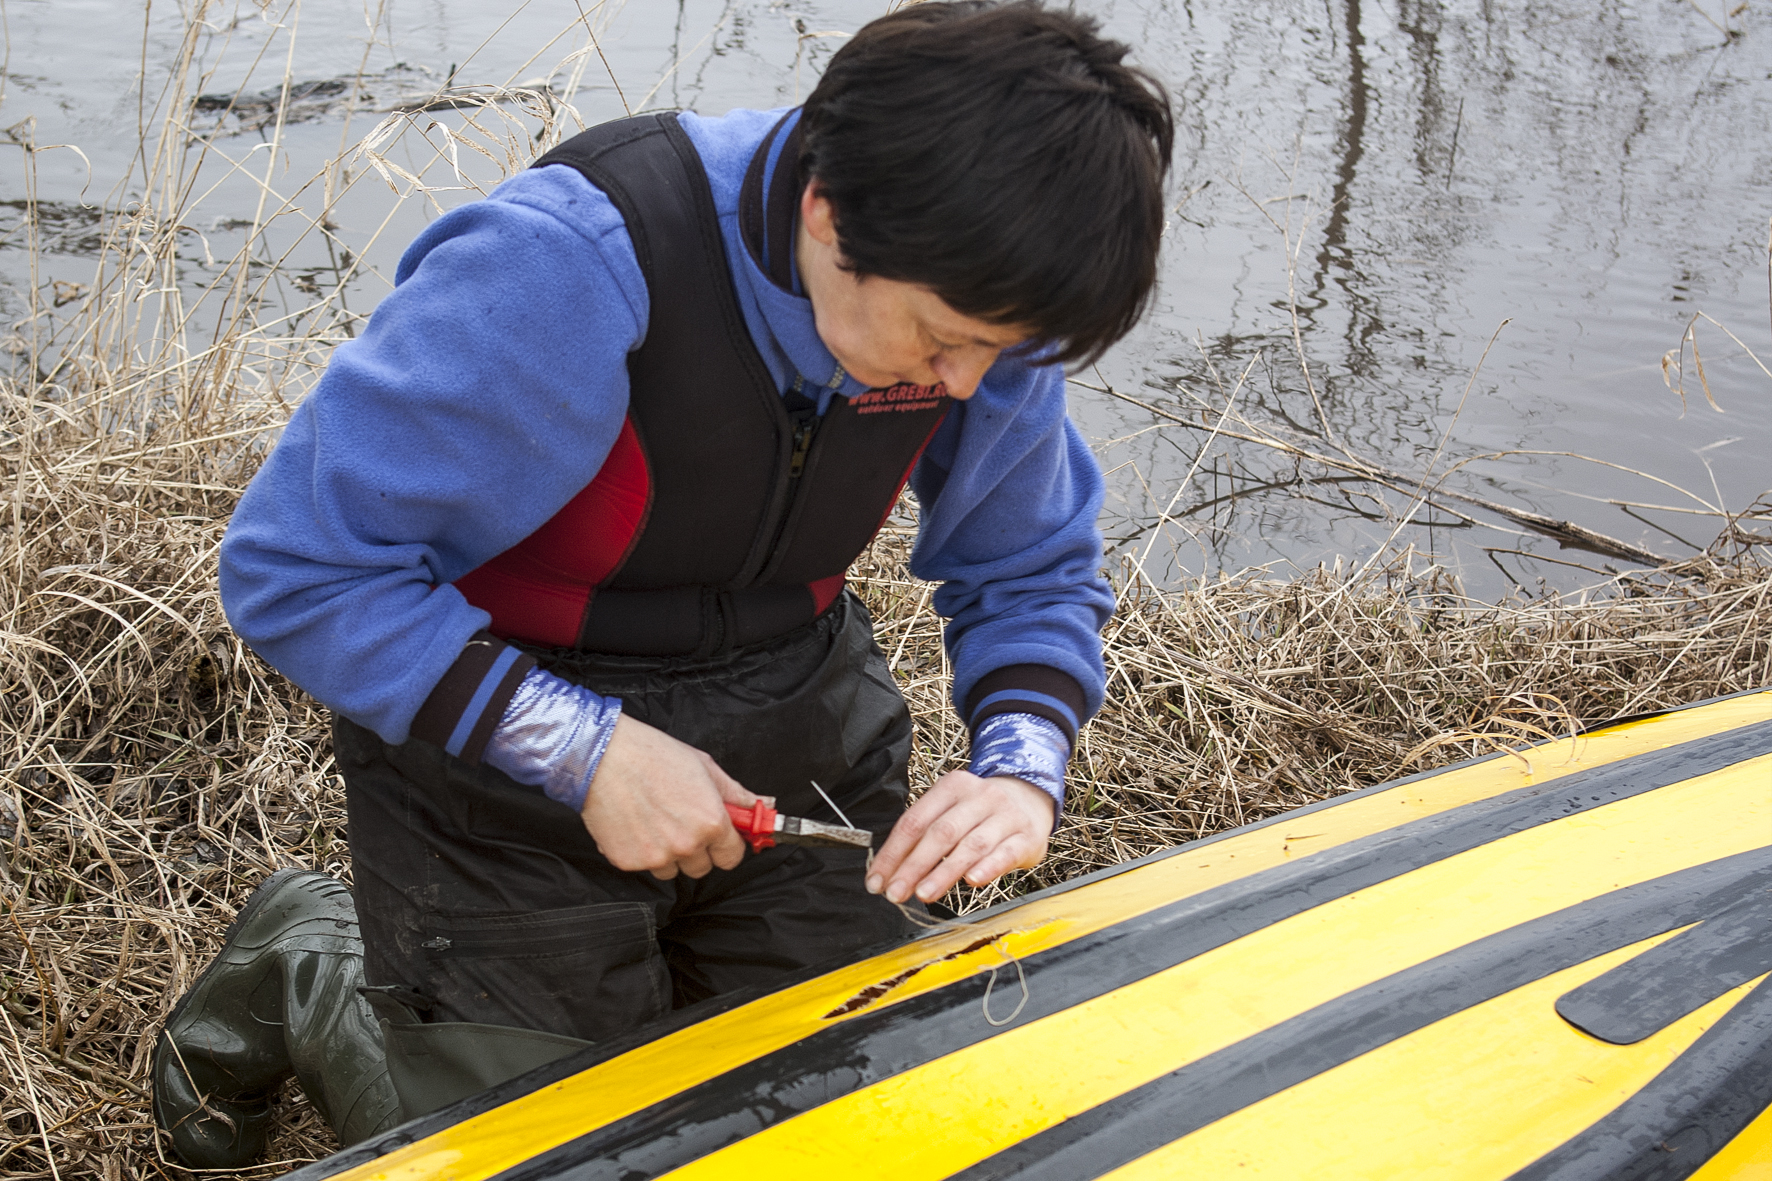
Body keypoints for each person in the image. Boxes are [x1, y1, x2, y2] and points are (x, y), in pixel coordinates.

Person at [151, 0, 1172, 1167]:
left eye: (1002, 350)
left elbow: (1028, 562)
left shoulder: (978, 298)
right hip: (501, 734)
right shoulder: (568, 265)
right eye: (941, 339)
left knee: (831, 1127)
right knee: (554, 1153)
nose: (967, 383)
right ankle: (309, 957)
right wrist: (585, 752)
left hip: (797, 717)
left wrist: (1021, 765)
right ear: (826, 212)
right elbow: (299, 565)